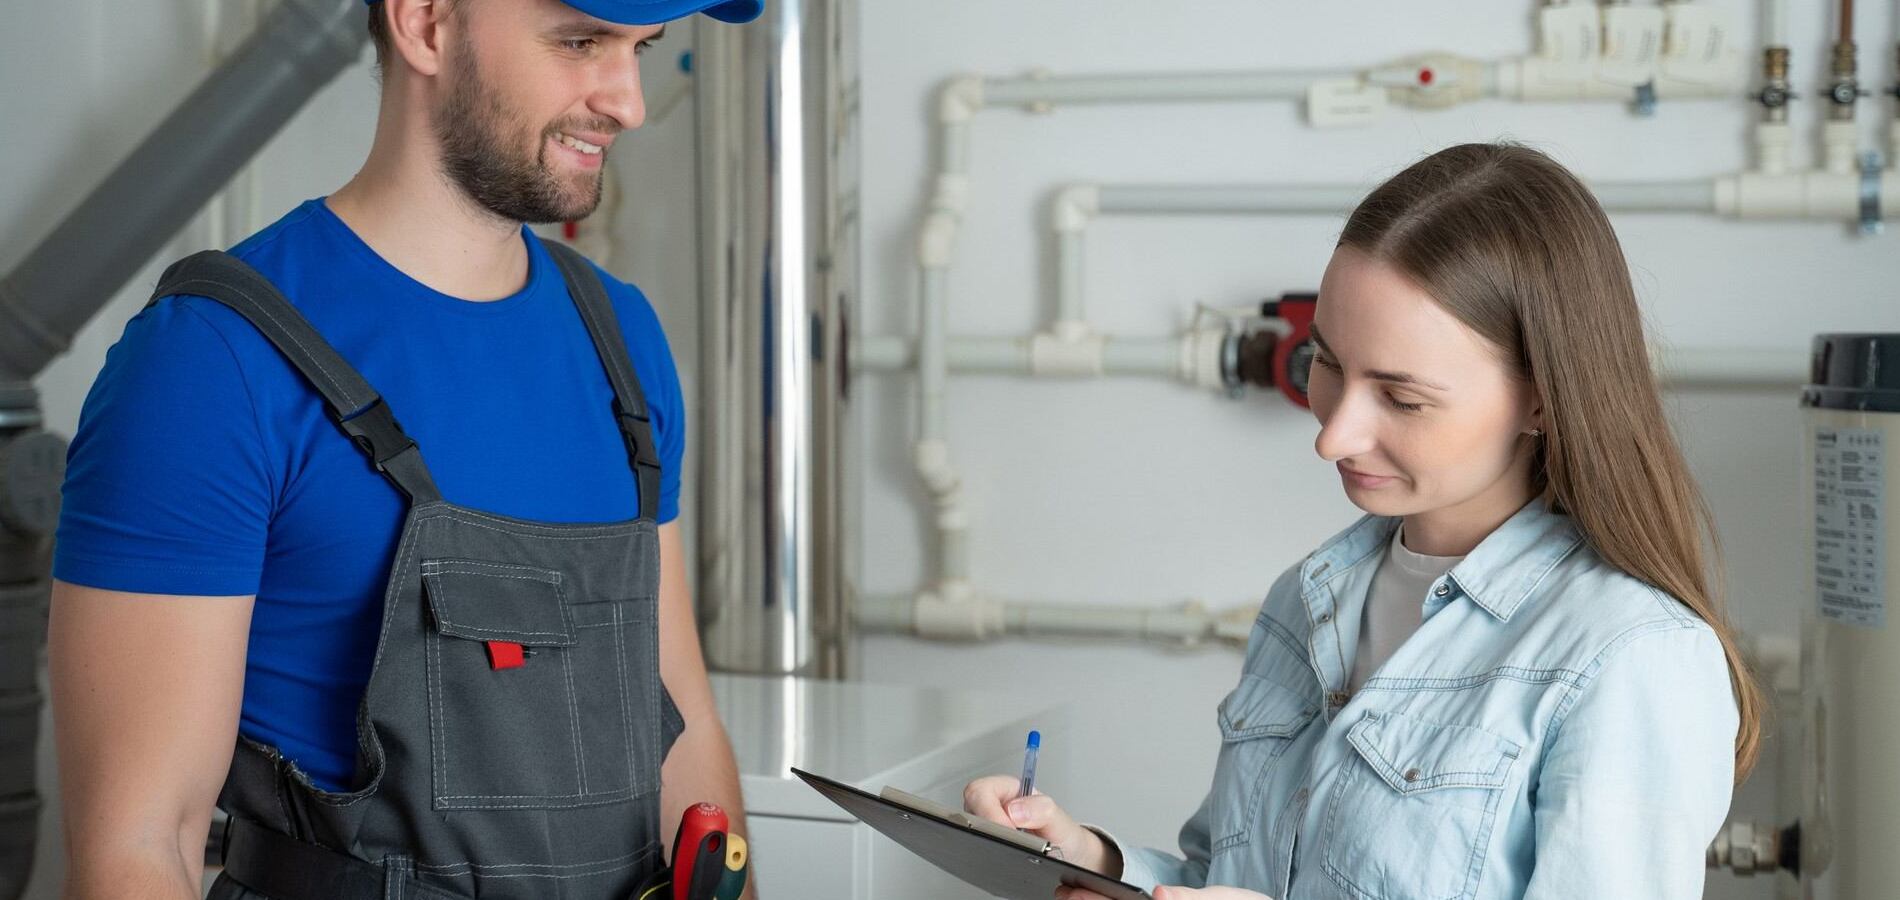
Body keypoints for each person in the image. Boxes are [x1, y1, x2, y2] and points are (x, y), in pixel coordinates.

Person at [47, 0, 764, 897]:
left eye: (641, 51)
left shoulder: (620, 338)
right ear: (426, 23)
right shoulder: (210, 362)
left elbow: (682, 726)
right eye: (580, 43)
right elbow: (138, 846)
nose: (628, 104)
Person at [963, 143, 1762, 900]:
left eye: (1403, 398)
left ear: (1543, 398)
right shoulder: (1306, 599)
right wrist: (1094, 861)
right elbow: (1236, 874)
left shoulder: (1630, 659)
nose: (1332, 435)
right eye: (1327, 366)